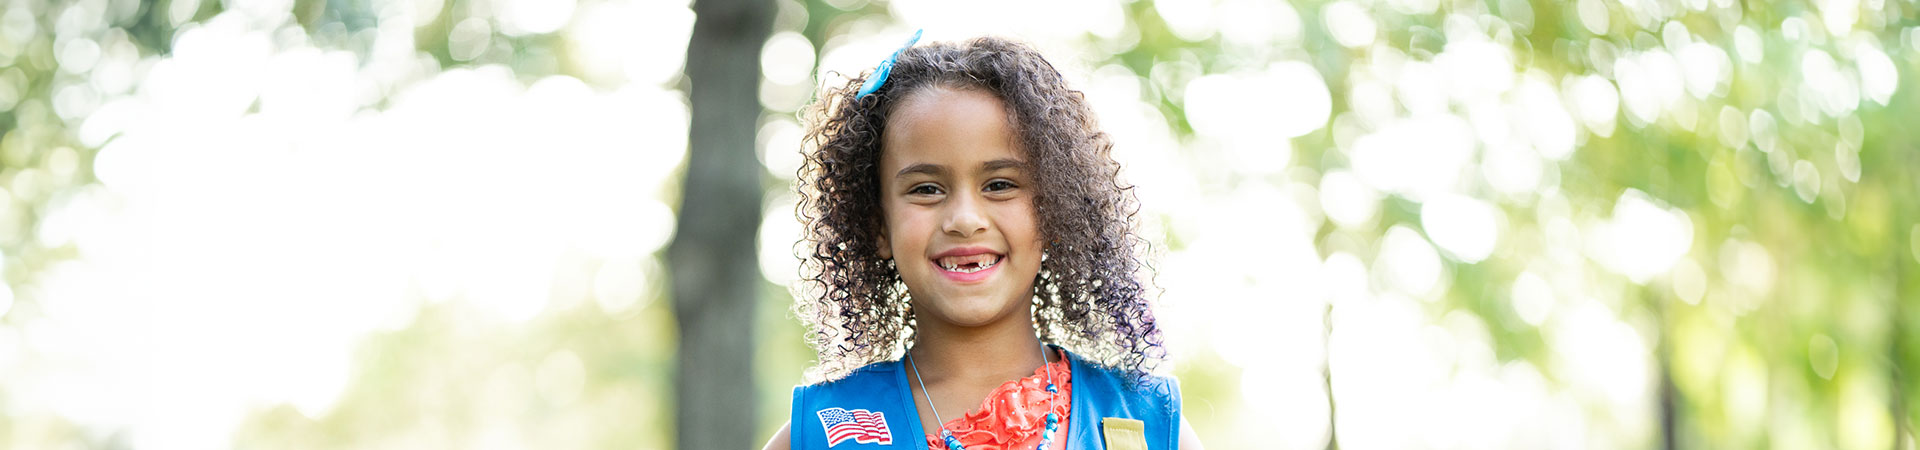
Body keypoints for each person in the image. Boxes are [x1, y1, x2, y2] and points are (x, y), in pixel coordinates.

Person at [764, 31, 1202, 450]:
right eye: (926, 189)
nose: (964, 220)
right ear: (878, 226)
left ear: (1054, 212)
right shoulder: (820, 433)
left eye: (999, 185)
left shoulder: (1147, 423)